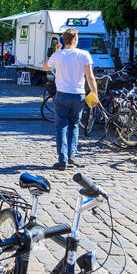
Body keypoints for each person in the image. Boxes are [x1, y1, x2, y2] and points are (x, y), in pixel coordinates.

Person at [44, 27, 98, 171]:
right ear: (74, 39)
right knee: (74, 126)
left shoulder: (59, 55)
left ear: (65, 40)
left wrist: (55, 53)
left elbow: (45, 67)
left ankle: (63, 160)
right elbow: (90, 77)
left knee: (61, 126)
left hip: (62, 94)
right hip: (78, 95)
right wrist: (95, 94)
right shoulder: (84, 54)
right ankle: (71, 156)